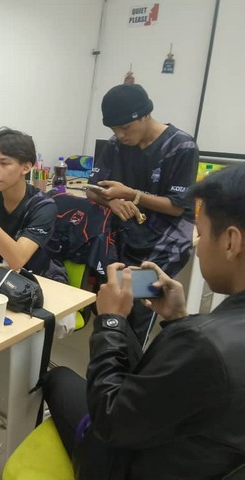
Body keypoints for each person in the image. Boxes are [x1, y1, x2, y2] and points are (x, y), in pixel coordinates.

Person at [43, 163, 245, 479]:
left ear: (231, 242)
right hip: (203, 450)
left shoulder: (203, 344)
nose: (199, 251)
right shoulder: (207, 338)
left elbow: (110, 419)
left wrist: (110, 321)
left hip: (132, 463)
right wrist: (178, 318)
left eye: (202, 234)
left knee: (57, 379)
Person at [86, 84, 199, 341]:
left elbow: (177, 206)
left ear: (146, 115)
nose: (120, 135)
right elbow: (92, 190)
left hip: (165, 238)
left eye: (125, 128)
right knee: (114, 304)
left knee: (140, 309)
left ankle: (132, 362)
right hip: (127, 233)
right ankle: (112, 354)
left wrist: (131, 194)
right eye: (114, 129)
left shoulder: (180, 146)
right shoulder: (116, 144)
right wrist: (111, 202)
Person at [0, 127, 64, 281]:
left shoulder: (43, 206)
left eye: (4, 163)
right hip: (3, 276)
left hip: (40, 280)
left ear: (26, 167)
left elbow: (17, 261)